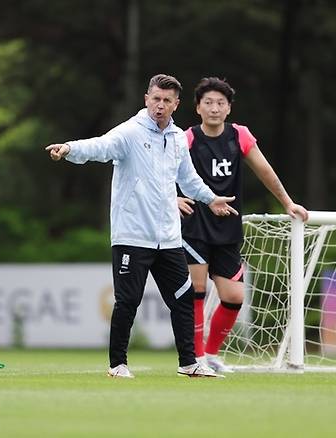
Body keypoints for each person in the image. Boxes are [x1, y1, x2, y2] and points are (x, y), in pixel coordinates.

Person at [45, 74, 237, 379]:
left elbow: (188, 179)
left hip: (168, 238)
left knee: (183, 299)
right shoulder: (130, 133)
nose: (160, 106)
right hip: (132, 236)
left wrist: (211, 199)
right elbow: (100, 146)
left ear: (176, 104)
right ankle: (117, 365)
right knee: (128, 301)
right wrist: (69, 149)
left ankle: (189, 363)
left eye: (166, 101)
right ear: (146, 99)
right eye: (155, 99)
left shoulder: (176, 138)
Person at [177, 77, 309, 373]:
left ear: (229, 108)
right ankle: (194, 359)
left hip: (227, 227)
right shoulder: (186, 138)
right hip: (194, 225)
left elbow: (264, 170)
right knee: (196, 291)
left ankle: (211, 354)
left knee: (234, 296)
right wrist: (173, 198)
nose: (214, 108)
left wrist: (287, 202)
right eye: (208, 102)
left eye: (220, 103)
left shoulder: (240, 136)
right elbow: (162, 169)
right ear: (197, 107)